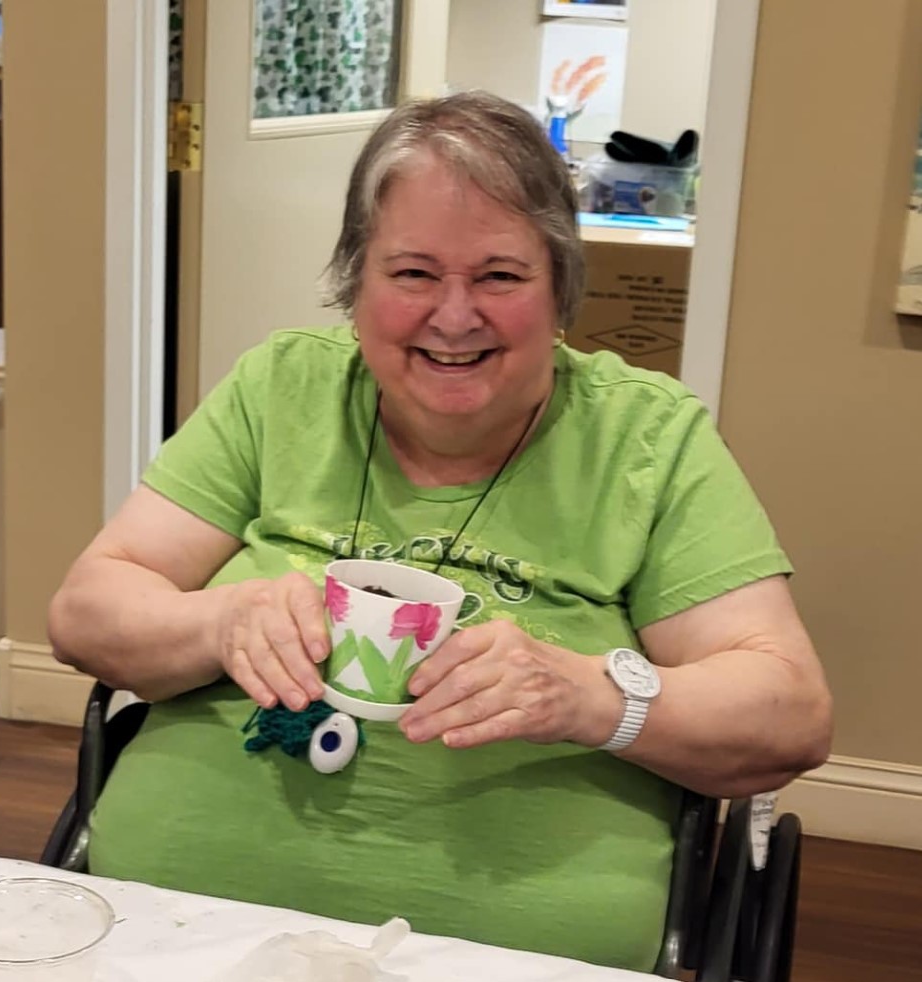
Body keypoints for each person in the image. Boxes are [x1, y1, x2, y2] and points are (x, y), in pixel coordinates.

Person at [48, 90, 832, 972]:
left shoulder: (648, 439)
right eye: (413, 273)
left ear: (561, 286)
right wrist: (217, 623)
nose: (454, 317)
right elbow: (86, 610)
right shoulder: (280, 391)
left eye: (499, 276)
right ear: (357, 281)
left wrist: (587, 695)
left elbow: (791, 713)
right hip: (178, 931)